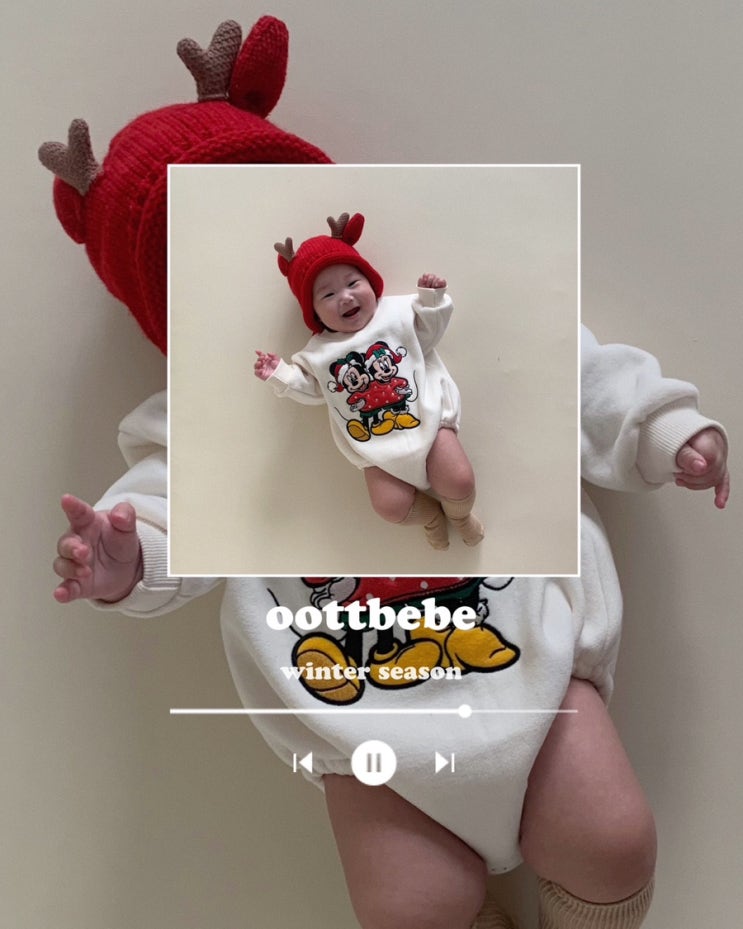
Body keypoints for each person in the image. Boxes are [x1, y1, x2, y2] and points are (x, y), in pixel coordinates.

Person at [53, 326, 729, 929]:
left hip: (533, 662)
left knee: (612, 844)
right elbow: (174, 501)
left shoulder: (474, 313)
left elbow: (579, 376)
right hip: (361, 720)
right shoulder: (224, 394)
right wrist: (132, 554)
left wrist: (661, 429)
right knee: (410, 909)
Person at [254, 211, 483, 549]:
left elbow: (429, 333)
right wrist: (281, 374)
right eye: (327, 295)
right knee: (389, 506)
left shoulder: (397, 315)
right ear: (314, 313)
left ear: (371, 282)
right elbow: (314, 389)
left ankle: (460, 517)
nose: (345, 297)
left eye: (352, 283)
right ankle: (431, 517)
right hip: (375, 449)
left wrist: (432, 301)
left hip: (428, 420)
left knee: (459, 479)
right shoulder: (319, 353)